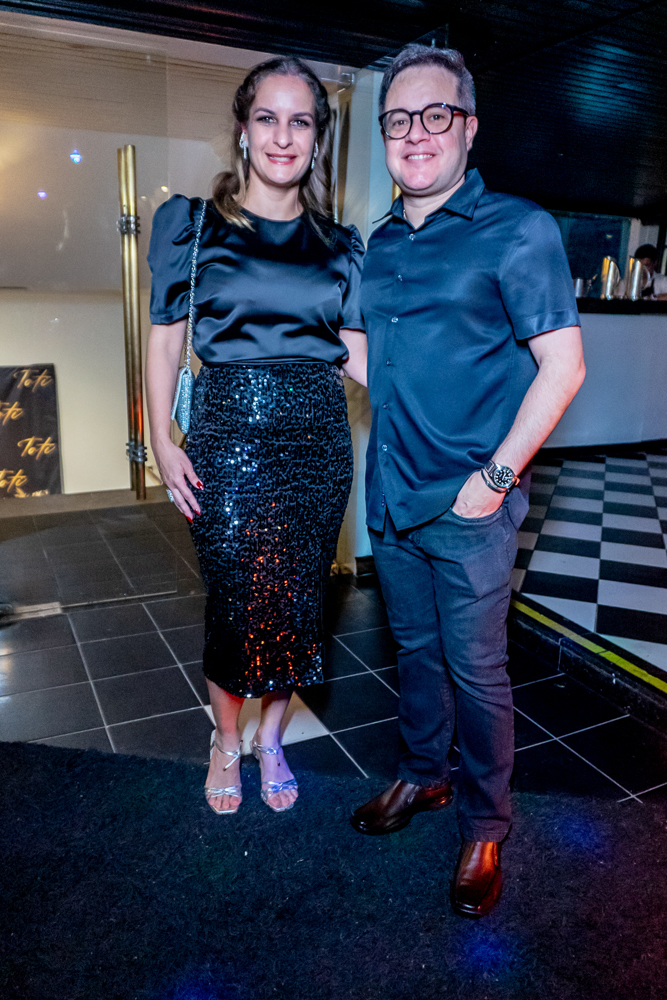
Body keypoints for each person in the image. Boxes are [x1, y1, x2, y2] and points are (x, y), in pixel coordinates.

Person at [350, 44, 585, 918]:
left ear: (468, 127)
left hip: (469, 503)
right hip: (392, 492)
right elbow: (372, 362)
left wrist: (493, 477)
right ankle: (423, 776)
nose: (415, 133)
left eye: (434, 115)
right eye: (397, 119)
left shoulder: (518, 228)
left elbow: (563, 368)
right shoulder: (379, 242)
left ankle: (486, 824)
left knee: (476, 669)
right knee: (413, 652)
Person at [146, 57, 366, 817]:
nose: (282, 136)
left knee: (298, 603)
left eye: (300, 121)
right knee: (238, 603)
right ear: (243, 129)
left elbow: (360, 356)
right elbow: (165, 342)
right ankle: (224, 737)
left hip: (318, 442)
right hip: (226, 441)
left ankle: (271, 739)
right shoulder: (192, 225)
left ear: (317, 138)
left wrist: (455, 384)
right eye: (267, 118)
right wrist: (161, 438)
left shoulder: (340, 244)